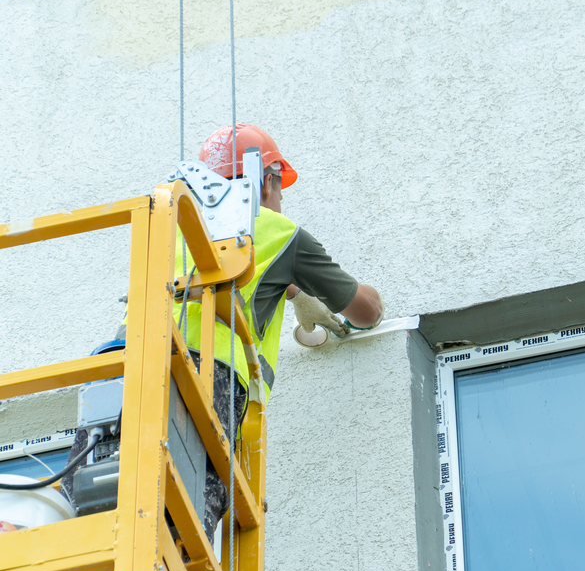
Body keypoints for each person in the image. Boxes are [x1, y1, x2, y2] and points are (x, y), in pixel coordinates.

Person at [62, 124, 383, 539]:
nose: (280, 199)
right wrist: (313, 292)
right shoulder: (276, 231)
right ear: (265, 181)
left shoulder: (170, 227)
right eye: (281, 188)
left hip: (125, 366)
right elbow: (366, 310)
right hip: (205, 375)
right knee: (186, 507)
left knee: (93, 489)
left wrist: (288, 288)